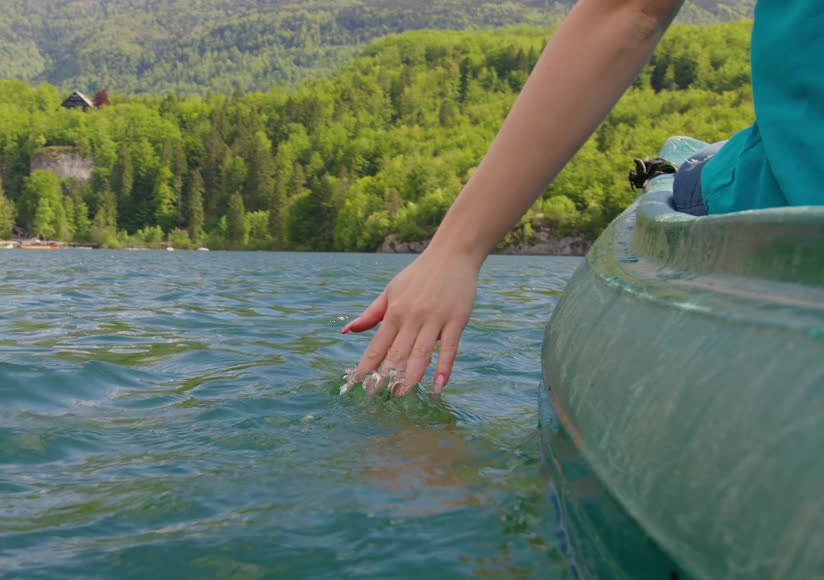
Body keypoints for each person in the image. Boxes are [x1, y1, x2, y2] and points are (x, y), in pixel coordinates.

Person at [342, 0, 823, 397]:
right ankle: (683, 164)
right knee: (694, 166)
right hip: (761, 187)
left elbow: (631, 11)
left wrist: (454, 251)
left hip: (771, 192)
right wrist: (454, 251)